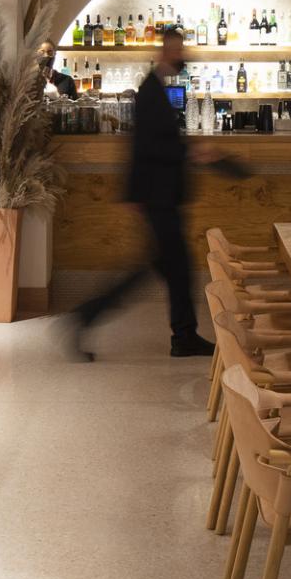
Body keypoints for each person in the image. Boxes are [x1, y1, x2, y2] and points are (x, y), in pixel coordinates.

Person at [64, 27, 215, 360]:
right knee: (169, 269)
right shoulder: (150, 91)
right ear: (164, 53)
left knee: (169, 269)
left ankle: (182, 336)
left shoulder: (155, 89)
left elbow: (147, 144)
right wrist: (189, 151)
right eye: (176, 51)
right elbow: (145, 146)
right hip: (157, 196)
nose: (181, 56)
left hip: (158, 195)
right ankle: (87, 316)